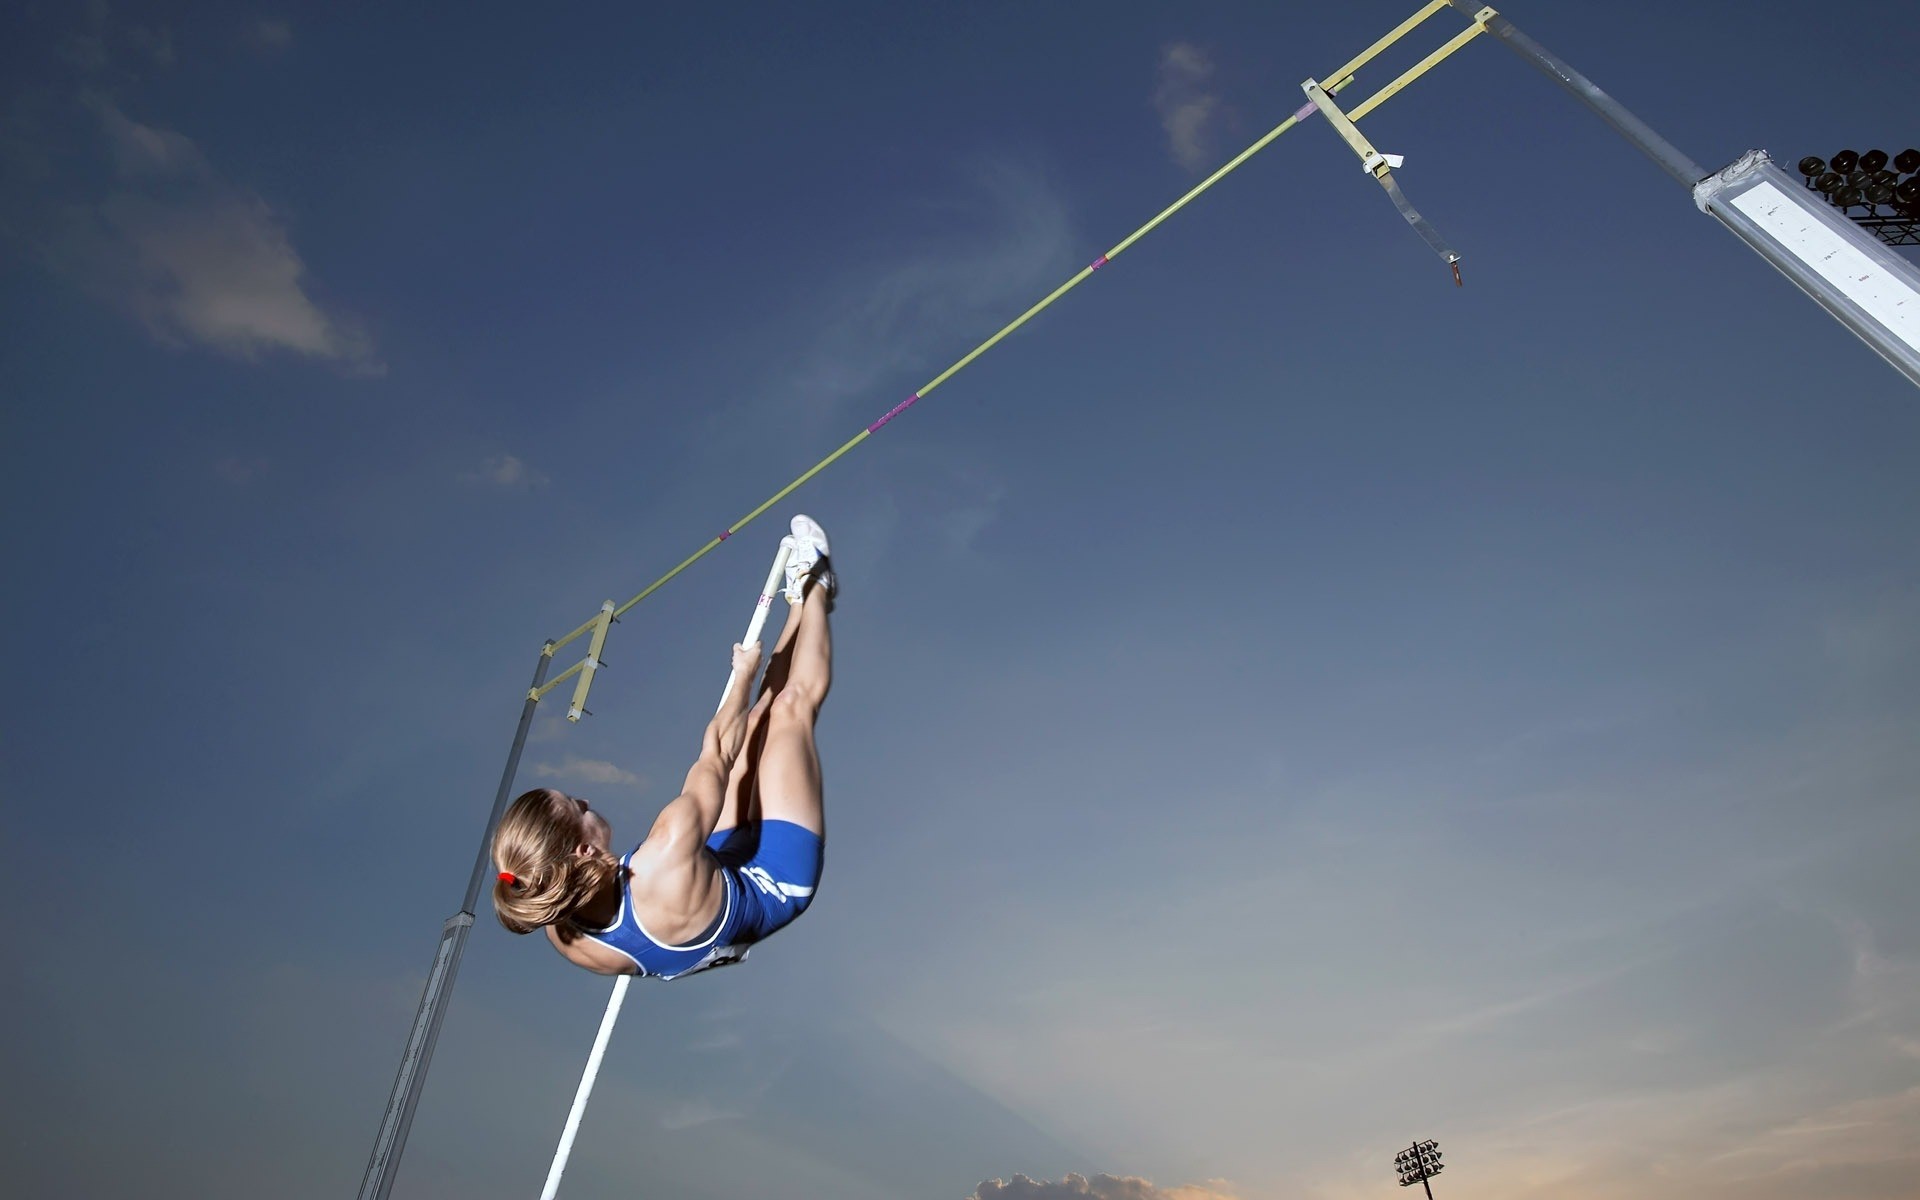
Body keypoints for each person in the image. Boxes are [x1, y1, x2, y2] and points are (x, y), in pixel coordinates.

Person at [490, 515, 835, 979]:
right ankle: (816, 585)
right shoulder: (666, 848)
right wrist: (744, 675)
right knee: (788, 712)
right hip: (773, 885)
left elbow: (663, 960)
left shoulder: (561, 929)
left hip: (709, 880)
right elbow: (717, 750)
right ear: (582, 851)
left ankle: (795, 605)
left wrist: (711, 949)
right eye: (578, 806)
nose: (586, 800)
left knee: (755, 729)